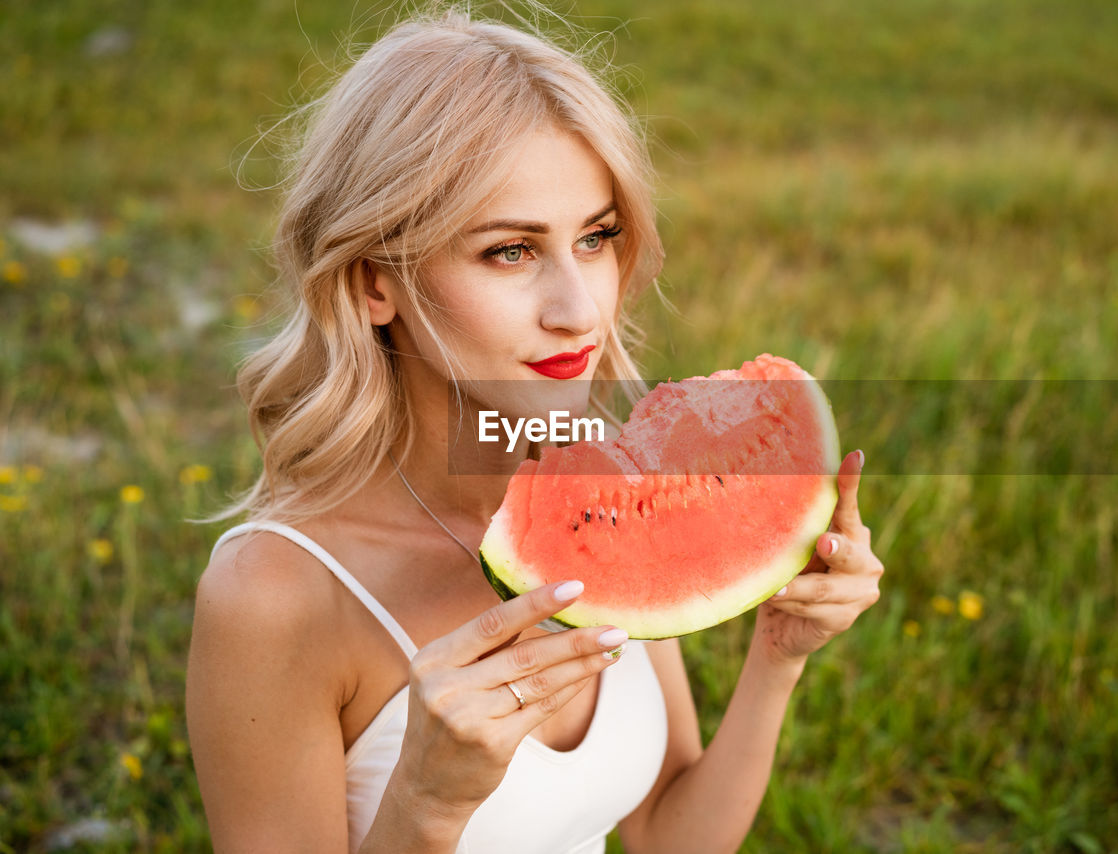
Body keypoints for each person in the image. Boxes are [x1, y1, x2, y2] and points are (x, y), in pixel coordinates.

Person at [185, 8, 884, 853]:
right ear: (375, 283)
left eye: (595, 238)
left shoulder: (607, 498)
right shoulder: (274, 594)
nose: (579, 308)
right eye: (511, 251)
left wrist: (778, 659)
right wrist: (426, 804)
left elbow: (668, 836)